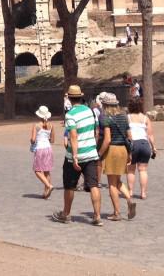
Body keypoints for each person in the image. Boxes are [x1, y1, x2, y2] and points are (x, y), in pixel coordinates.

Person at [52, 87, 105, 226]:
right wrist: (93, 145)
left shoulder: (70, 114)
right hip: (91, 153)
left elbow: (73, 135)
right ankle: (97, 216)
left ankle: (66, 214)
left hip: (74, 156)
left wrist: (75, 156)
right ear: (81, 97)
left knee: (69, 186)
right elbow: (96, 130)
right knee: (94, 185)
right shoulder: (89, 111)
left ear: (69, 98)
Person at [99, 93, 136, 221]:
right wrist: (130, 153)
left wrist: (99, 154)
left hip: (112, 150)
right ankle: (129, 200)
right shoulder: (123, 116)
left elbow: (107, 139)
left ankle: (117, 212)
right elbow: (129, 137)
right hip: (123, 150)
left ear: (104, 104)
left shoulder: (105, 117)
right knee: (117, 180)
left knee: (112, 184)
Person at [126, 98, 156, 200]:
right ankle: (143, 193)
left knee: (131, 170)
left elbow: (126, 134)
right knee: (143, 170)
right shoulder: (145, 118)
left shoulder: (127, 118)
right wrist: (153, 147)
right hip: (144, 144)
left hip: (132, 144)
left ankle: (130, 191)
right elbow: (150, 135)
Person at [30, 106, 55, 200]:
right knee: (47, 171)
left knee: (37, 170)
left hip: (40, 149)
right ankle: (46, 192)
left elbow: (33, 139)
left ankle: (49, 186)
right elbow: (52, 140)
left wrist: (32, 141)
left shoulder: (36, 125)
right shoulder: (51, 125)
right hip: (48, 148)